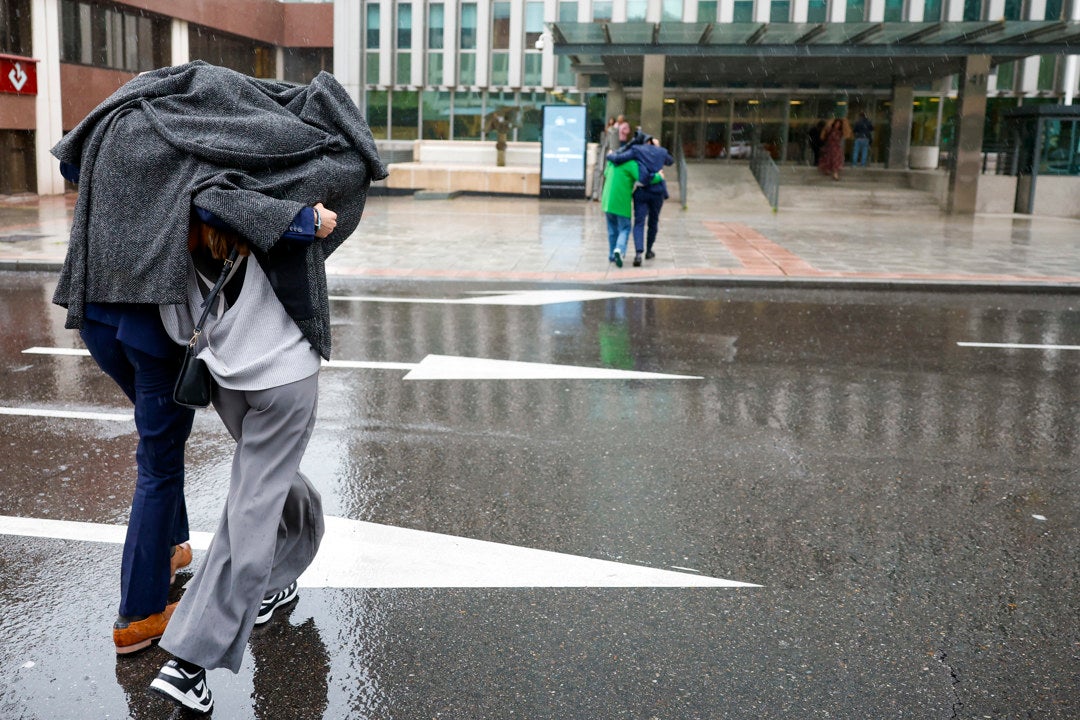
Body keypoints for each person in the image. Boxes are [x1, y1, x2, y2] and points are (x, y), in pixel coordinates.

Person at [50, 61, 387, 714]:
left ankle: (276, 579)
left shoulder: (192, 205)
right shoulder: (287, 198)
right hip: (282, 380)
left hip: (225, 375)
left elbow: (172, 188)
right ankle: (190, 662)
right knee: (250, 507)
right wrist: (302, 222)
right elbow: (335, 196)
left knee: (270, 485)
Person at [56, 164, 196, 658]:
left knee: (165, 441)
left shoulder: (123, 122)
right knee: (158, 462)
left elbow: (68, 163)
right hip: (153, 328)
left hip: (97, 313)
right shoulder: (189, 126)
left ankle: (171, 547)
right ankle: (138, 617)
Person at [607, 132, 674, 265]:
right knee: (653, 222)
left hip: (642, 192)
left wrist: (609, 155)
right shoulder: (661, 151)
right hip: (657, 192)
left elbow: (619, 158)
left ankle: (638, 254)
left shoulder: (637, 150)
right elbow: (670, 161)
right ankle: (649, 250)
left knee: (639, 223)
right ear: (652, 142)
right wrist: (658, 148)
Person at [601, 149, 638, 268]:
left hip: (607, 202)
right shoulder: (631, 164)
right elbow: (643, 178)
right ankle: (619, 250)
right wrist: (658, 176)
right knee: (625, 228)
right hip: (621, 203)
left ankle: (612, 255)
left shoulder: (612, 162)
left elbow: (606, 173)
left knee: (612, 230)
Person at [818, 116, 851, 181]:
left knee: (836, 160)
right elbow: (825, 131)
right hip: (829, 147)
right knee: (828, 159)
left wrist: (845, 121)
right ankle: (828, 170)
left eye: (839, 124)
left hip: (836, 148)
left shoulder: (840, 132)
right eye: (836, 123)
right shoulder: (830, 130)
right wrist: (833, 118)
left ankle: (835, 174)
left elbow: (847, 133)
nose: (837, 125)